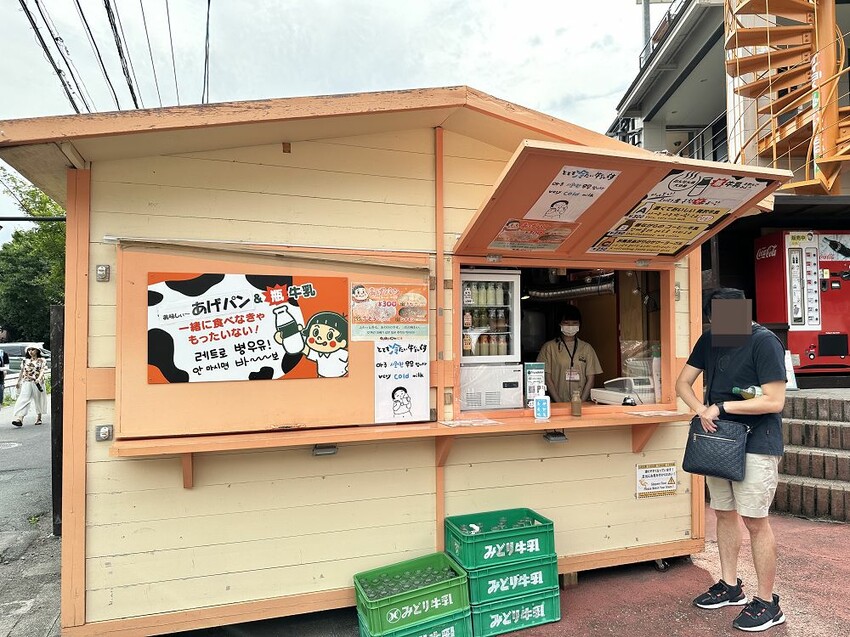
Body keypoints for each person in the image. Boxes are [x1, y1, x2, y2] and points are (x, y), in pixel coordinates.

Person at [675, 288, 787, 632]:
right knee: (723, 514)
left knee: (755, 521)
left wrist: (720, 407)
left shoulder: (765, 342)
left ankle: (768, 603)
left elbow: (774, 401)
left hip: (757, 442)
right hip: (718, 442)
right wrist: (700, 412)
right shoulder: (709, 339)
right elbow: (683, 383)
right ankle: (729, 585)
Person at [536, 305, 602, 403]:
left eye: (574, 323)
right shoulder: (549, 348)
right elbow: (547, 379)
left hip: (582, 402)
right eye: (566, 323)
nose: (570, 326)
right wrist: (559, 403)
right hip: (556, 403)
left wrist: (581, 402)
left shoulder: (587, 348)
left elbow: (591, 379)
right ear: (559, 324)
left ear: (579, 324)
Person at [12, 346, 47, 427]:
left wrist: (39, 378)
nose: (30, 351)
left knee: (38, 399)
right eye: (29, 350)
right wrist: (18, 381)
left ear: (37, 351)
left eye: (33, 349)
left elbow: (42, 370)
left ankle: (39, 417)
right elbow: (21, 372)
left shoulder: (41, 360)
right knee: (24, 399)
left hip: (37, 382)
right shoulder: (25, 361)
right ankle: (20, 418)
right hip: (27, 381)